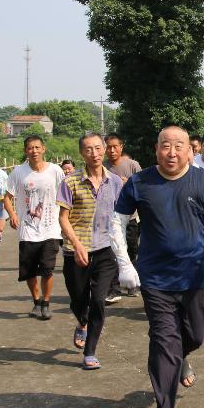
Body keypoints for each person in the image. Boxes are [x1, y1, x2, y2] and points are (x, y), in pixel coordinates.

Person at [110, 125, 204, 408]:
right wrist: (125, 264)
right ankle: (164, 407)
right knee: (164, 340)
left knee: (196, 335)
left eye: (179, 146)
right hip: (155, 279)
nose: (172, 152)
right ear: (156, 149)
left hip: (195, 276)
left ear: (190, 151)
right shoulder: (140, 182)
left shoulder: (203, 181)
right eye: (166, 145)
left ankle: (183, 356)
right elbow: (116, 223)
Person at [57, 133, 123, 369]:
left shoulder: (114, 182)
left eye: (97, 148)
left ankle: (90, 351)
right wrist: (77, 245)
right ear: (81, 153)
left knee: (98, 301)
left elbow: (119, 216)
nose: (94, 153)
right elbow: (63, 218)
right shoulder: (70, 182)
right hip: (75, 251)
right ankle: (82, 321)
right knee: (78, 300)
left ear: (103, 150)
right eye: (88, 149)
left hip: (105, 249)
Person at [4, 135, 66, 320]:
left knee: (47, 269)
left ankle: (46, 303)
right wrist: (13, 214)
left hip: (51, 229)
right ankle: (36, 301)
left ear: (43, 149)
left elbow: (65, 194)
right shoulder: (18, 172)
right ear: (25, 151)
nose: (34, 151)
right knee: (29, 271)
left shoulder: (55, 170)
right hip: (28, 230)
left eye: (37, 147)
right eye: (30, 148)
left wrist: (65, 218)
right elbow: (7, 197)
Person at [104, 132, 142, 299]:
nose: (112, 150)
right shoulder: (102, 167)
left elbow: (143, 188)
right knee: (112, 253)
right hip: (110, 218)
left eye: (115, 147)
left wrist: (129, 184)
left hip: (130, 216)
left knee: (131, 250)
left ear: (121, 147)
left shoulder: (132, 165)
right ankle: (114, 289)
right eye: (108, 147)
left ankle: (132, 284)